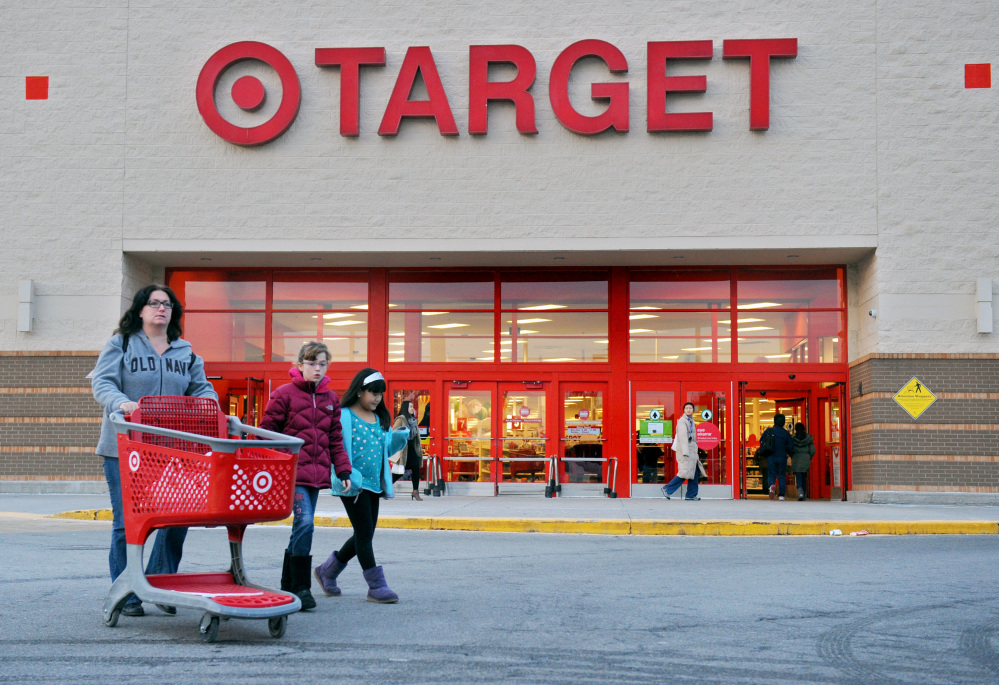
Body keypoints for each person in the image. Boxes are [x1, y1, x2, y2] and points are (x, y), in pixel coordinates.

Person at [91, 284, 217, 617]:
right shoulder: (122, 344)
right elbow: (102, 382)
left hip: (172, 453)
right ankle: (127, 591)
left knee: (178, 519)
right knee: (127, 524)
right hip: (125, 449)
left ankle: (161, 583)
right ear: (141, 310)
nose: (161, 308)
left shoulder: (186, 352)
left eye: (167, 304)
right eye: (154, 303)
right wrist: (122, 403)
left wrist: (213, 408)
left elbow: (203, 389)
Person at [259, 341, 351, 611]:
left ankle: (289, 584)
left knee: (301, 525)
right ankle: (301, 586)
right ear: (300, 365)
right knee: (305, 522)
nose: (318, 369)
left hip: (316, 474)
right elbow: (265, 433)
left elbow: (335, 439)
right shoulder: (283, 394)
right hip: (291, 473)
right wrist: (274, 465)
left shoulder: (331, 400)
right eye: (312, 363)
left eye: (323, 363)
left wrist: (343, 469)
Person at [313, 368, 410, 603]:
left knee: (364, 534)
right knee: (365, 534)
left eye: (380, 394)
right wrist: (344, 473)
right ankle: (376, 586)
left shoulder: (378, 418)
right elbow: (335, 447)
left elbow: (382, 450)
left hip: (373, 485)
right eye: (373, 393)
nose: (377, 398)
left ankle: (327, 571)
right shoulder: (344, 415)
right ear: (359, 391)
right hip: (352, 484)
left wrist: (397, 438)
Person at [662, 402, 700, 500]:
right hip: (686, 452)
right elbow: (683, 438)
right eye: (686, 408)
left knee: (694, 472)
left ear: (693, 410)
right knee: (684, 472)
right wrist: (685, 452)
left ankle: (691, 495)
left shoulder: (691, 420)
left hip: (692, 452)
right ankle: (667, 488)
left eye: (690, 408)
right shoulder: (682, 421)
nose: (688, 410)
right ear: (684, 410)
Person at [392, 400, 424, 500]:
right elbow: (394, 433)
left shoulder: (413, 420)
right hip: (403, 449)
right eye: (410, 407)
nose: (412, 409)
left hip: (412, 448)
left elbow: (415, 437)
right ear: (405, 408)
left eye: (412, 407)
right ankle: (385, 487)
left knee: (416, 468)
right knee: (399, 472)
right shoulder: (401, 419)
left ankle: (415, 491)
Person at [762, 414, 795, 501]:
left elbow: (761, 441)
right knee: (781, 475)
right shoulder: (786, 433)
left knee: (771, 474)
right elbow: (791, 446)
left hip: (771, 456)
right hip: (782, 456)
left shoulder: (769, 431)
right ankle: (781, 495)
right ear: (783, 422)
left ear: (774, 421)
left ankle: (772, 486)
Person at [791, 422, 816, 501]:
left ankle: (800, 493)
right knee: (804, 477)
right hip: (806, 458)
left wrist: (793, 455)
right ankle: (804, 493)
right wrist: (809, 457)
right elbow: (813, 450)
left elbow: (790, 449)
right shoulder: (808, 439)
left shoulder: (793, 439)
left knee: (798, 477)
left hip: (796, 458)